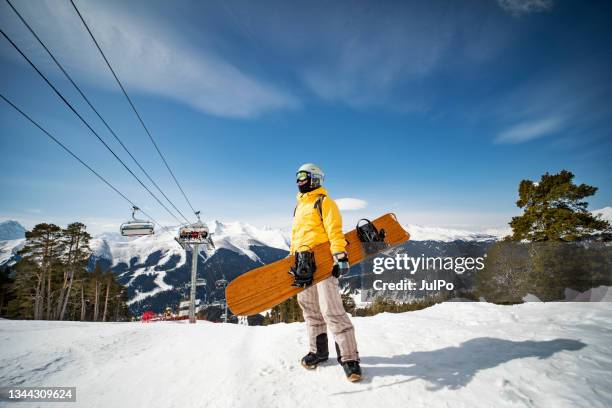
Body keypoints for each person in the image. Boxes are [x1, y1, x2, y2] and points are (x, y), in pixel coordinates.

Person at [289, 163, 362, 382]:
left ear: (315, 179)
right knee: (311, 311)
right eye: (297, 176)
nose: (299, 180)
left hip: (323, 263)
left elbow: (335, 231)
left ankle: (349, 359)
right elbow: (297, 237)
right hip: (303, 266)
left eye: (303, 176)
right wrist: (291, 259)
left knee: (332, 311)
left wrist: (340, 256)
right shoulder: (299, 206)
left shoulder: (324, 202)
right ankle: (318, 352)